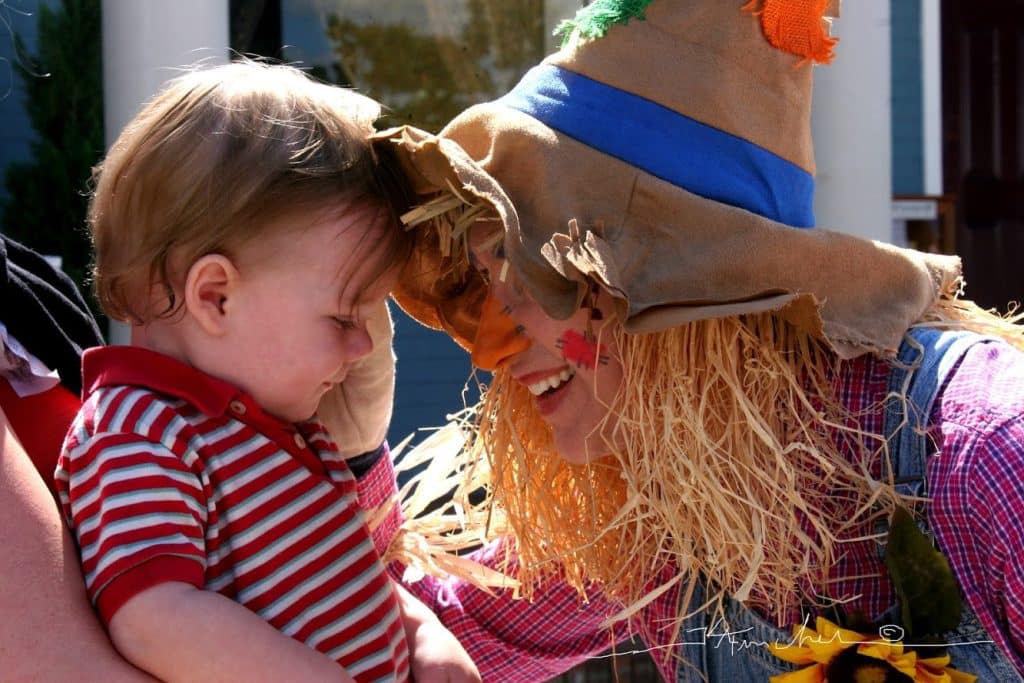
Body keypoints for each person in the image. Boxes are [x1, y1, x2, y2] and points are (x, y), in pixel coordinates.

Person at [364, 0, 1024, 681]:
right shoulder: (656, 505)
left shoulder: (987, 454)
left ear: (671, 284)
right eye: (483, 290)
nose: (488, 348)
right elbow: (407, 638)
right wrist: (350, 424)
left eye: (526, 276)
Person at [52, 60, 478, 683]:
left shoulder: (277, 429)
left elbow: (347, 576)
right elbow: (154, 617)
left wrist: (421, 632)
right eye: (341, 318)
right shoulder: (136, 431)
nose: (363, 345)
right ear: (216, 296)